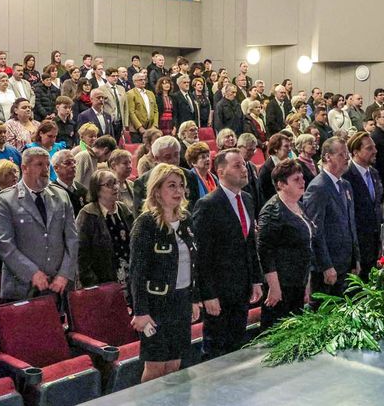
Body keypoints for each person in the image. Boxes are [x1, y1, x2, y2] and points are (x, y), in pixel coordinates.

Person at [128, 162, 201, 382]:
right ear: (157, 190)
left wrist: (194, 299)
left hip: (181, 300)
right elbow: (137, 271)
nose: (178, 190)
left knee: (175, 363)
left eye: (181, 185)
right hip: (156, 304)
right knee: (155, 366)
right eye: (171, 185)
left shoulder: (186, 219)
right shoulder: (146, 223)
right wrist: (140, 311)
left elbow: (193, 263)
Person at [194, 149, 262, 359]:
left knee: (237, 344)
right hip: (219, 290)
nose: (244, 169)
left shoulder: (247, 199)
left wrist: (256, 280)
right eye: (237, 165)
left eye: (244, 165)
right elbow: (202, 255)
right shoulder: (208, 204)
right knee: (215, 349)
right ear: (221, 172)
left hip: (242, 287)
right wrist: (208, 294)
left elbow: (250, 244)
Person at [0, 146, 78, 302]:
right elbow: (3, 243)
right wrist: (32, 273)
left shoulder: (61, 196)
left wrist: (65, 274)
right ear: (24, 168)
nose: (45, 170)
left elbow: (72, 238)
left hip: (59, 285)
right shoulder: (5, 200)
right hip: (22, 287)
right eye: (39, 164)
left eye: (47, 165)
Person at [258, 159, 329, 330]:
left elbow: (306, 246)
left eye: (302, 177)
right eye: (296, 179)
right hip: (281, 285)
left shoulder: (300, 205)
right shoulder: (272, 210)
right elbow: (265, 251)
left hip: (298, 281)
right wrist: (274, 287)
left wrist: (306, 283)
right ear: (281, 184)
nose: (302, 182)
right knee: (277, 330)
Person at [302, 137, 360, 297]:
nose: (347, 158)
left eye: (347, 154)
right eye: (341, 154)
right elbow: (315, 231)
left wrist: (355, 258)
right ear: (328, 157)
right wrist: (325, 265)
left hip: (345, 263)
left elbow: (351, 224)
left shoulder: (345, 185)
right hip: (328, 267)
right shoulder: (318, 187)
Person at [76, 169, 135, 291]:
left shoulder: (124, 210)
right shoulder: (88, 214)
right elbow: (81, 254)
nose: (115, 187)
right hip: (102, 283)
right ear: (97, 190)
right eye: (109, 184)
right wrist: (92, 284)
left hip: (129, 279)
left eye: (115, 182)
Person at [342, 132, 384, 277]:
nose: (375, 151)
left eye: (374, 147)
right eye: (369, 148)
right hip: (357, 245)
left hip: (373, 243)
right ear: (355, 152)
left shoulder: (374, 173)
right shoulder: (346, 176)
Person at [132, 136, 201, 214]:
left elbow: (195, 208)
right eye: (168, 157)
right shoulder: (142, 182)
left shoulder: (190, 176)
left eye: (176, 155)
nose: (174, 160)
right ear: (156, 159)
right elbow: (139, 213)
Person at [258, 133, 292, 204]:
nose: (290, 149)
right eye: (286, 146)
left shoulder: (289, 163)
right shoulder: (266, 170)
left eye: (290, 146)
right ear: (275, 149)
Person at [51, 148, 87, 214]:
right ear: (56, 168)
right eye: (67, 163)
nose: (73, 166)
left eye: (74, 162)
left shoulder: (82, 190)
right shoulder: (51, 192)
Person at [127, 72, 158, 142]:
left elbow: (156, 111)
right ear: (134, 82)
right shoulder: (130, 94)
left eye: (144, 79)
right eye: (140, 80)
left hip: (150, 128)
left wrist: (155, 125)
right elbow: (131, 112)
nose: (143, 81)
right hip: (136, 130)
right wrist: (139, 127)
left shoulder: (150, 93)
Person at [106, 148, 135, 213]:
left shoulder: (132, 185)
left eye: (130, 162)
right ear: (113, 166)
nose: (129, 166)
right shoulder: (108, 186)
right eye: (125, 163)